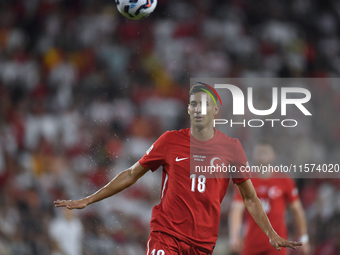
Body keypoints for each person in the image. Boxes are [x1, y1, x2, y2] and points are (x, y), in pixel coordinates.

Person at [54, 83, 302, 255]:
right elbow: (131, 175)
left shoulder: (231, 148)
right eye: (193, 104)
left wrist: (270, 232)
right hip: (167, 233)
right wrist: (88, 200)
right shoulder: (170, 141)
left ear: (216, 110)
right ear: (188, 109)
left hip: (202, 242)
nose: (197, 108)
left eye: (204, 104)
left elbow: (250, 198)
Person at [229, 140, 311, 255]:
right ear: (253, 154)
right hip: (252, 243)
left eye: (265, 152)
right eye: (259, 152)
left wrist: (304, 238)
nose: (262, 156)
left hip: (278, 243)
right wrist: (234, 236)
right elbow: (236, 210)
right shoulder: (246, 181)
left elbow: (297, 210)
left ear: (274, 155)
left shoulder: (285, 180)